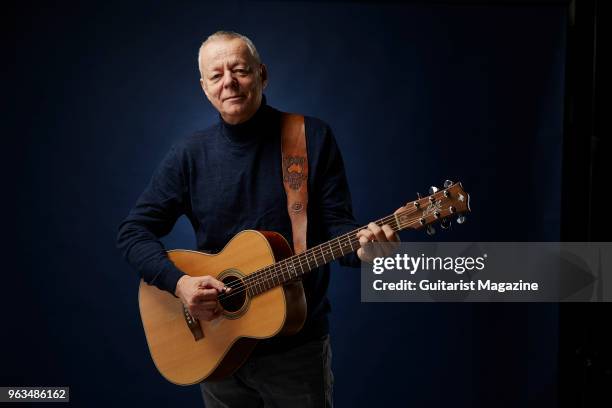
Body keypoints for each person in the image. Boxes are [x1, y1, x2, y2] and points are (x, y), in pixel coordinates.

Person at [116, 30, 399, 407]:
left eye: (240, 70)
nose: (229, 82)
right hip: (216, 347)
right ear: (204, 88)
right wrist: (179, 284)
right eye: (216, 75)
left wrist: (367, 253)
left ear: (262, 75)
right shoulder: (188, 155)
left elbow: (338, 230)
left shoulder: (309, 137)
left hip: (297, 353)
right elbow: (133, 232)